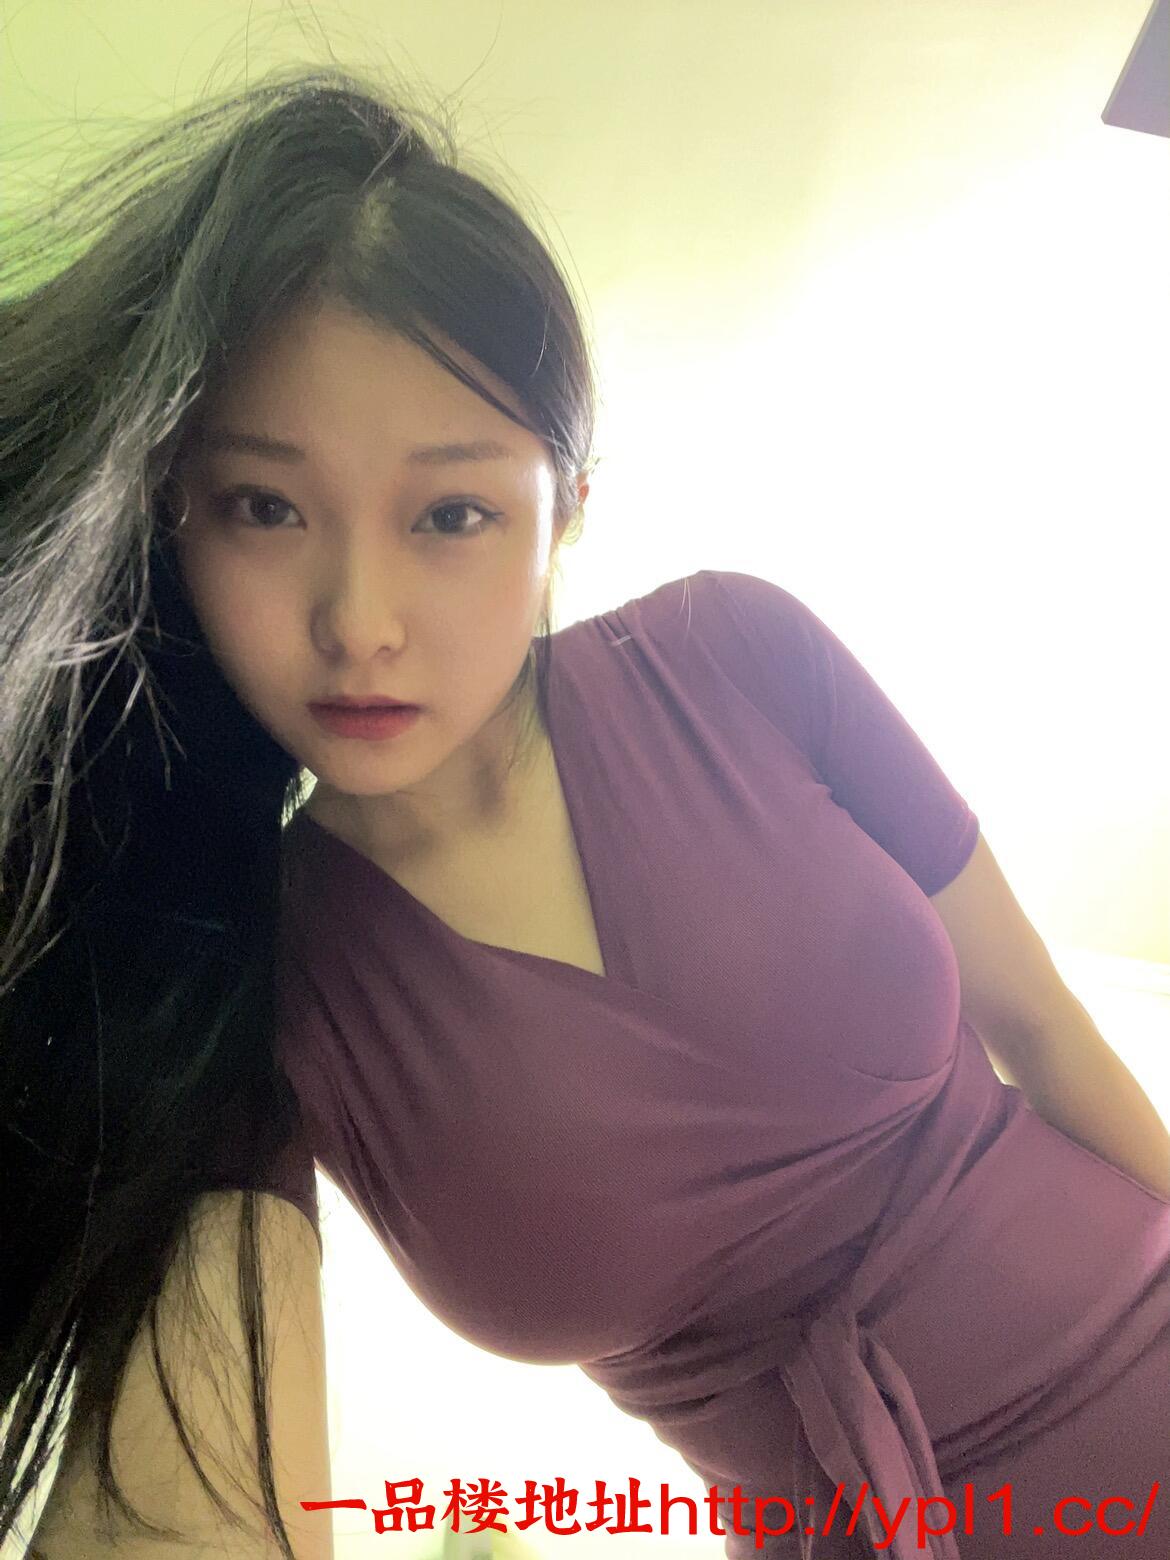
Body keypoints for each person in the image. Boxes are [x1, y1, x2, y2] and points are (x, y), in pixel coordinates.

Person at [2, 61, 1167, 1560]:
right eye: (266, 508)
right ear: (174, 521)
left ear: (565, 512)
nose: (360, 623)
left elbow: (1047, 1028)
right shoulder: (240, 973)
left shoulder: (742, 654)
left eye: (451, 514)